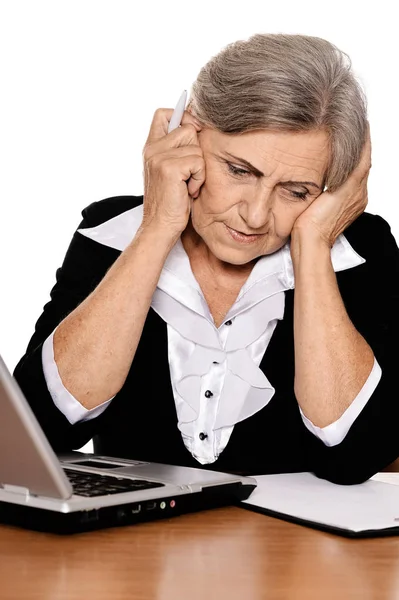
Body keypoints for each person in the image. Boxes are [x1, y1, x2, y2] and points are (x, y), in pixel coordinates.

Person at [13, 33, 399, 485]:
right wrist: (156, 226)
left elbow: (357, 455)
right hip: (133, 545)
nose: (255, 215)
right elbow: (38, 431)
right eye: (239, 171)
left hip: (294, 552)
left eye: (296, 192)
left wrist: (313, 242)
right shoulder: (109, 232)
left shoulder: (359, 252)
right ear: (187, 132)